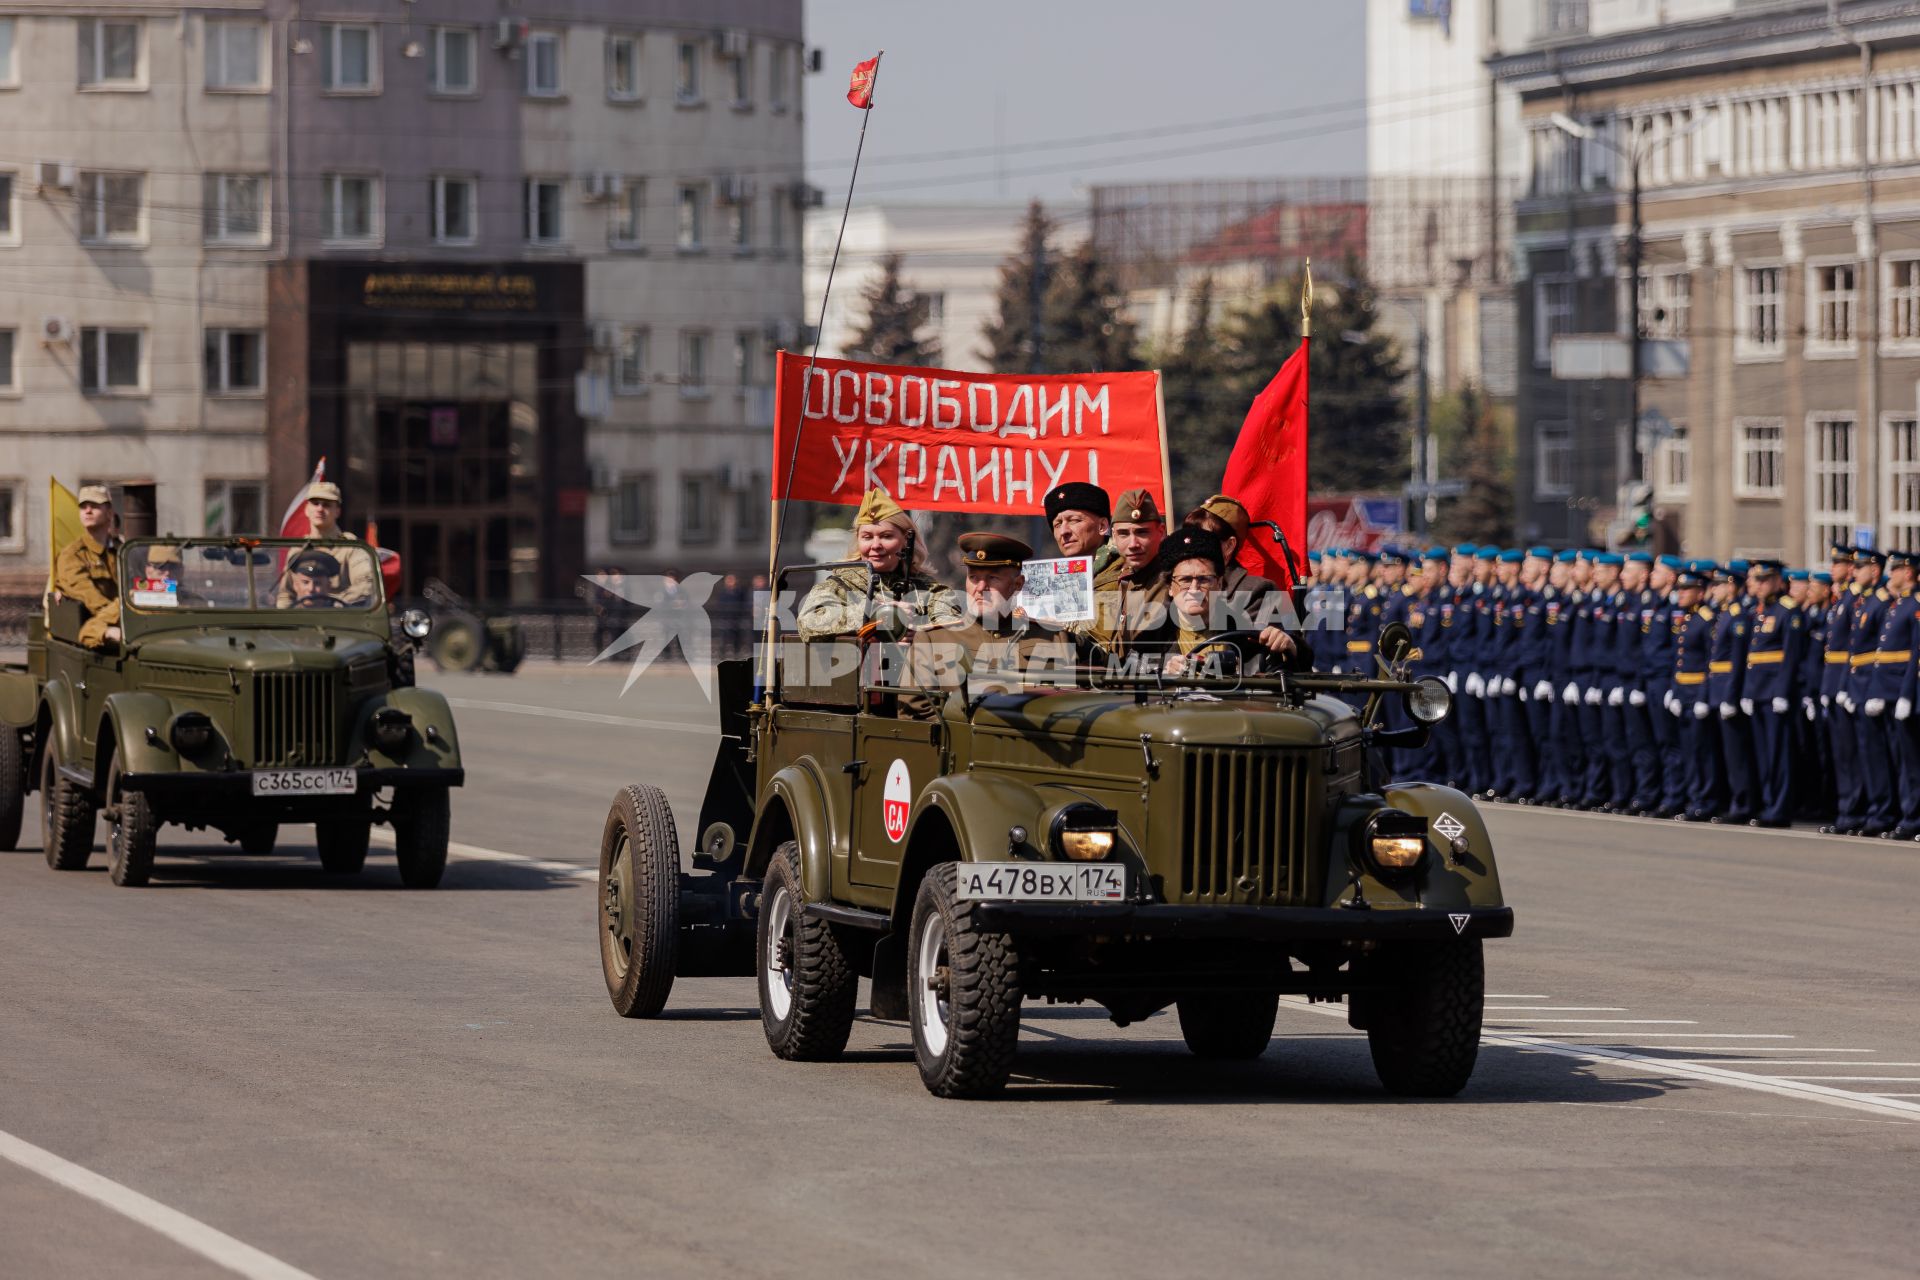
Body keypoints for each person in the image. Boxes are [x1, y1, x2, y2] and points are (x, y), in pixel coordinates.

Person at [899, 532, 1075, 720]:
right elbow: (916, 714)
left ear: (1018, 584)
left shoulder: (1053, 636)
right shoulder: (932, 638)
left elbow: (1069, 707)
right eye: (973, 577)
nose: (980, 587)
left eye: (992, 578)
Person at [798, 489, 964, 641]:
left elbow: (955, 628)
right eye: (867, 537)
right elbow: (808, 622)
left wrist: (918, 635)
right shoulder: (839, 586)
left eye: (886, 536)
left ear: (906, 540)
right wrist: (874, 613)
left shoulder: (929, 591)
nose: (875, 545)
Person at [1138, 527, 1306, 675]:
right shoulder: (1148, 643)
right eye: (1185, 580)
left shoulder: (1252, 633)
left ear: (1219, 584)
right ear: (1169, 587)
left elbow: (1296, 678)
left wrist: (1290, 648)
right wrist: (1162, 677)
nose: (1194, 589)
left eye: (1204, 579)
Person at [1741, 560, 1803, 828]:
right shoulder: (1760, 612)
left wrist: (1781, 691)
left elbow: (1790, 656)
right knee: (1764, 754)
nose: (1759, 585)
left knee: (1779, 754)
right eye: (1758, 580)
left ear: (1778, 582)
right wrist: (1747, 691)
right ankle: (1768, 803)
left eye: (1765, 580)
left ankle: (1779, 808)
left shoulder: (1788, 611)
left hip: (1775, 692)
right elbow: (1752, 655)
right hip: (1757, 691)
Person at [1843, 550, 1893, 836]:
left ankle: (1882, 812)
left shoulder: (1882, 603)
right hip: (1858, 687)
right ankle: (1873, 811)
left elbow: (1879, 653)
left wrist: (1874, 689)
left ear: (1875, 571)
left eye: (1859, 567)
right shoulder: (1864, 602)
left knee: (1879, 755)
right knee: (1865, 755)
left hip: (1874, 687)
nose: (1854, 572)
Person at [1671, 567, 1722, 821]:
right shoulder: (1689, 619)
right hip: (1684, 693)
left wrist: (1703, 697)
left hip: (1698, 693)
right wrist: (1675, 691)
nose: (1680, 594)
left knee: (1703, 751)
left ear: (1700, 592)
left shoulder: (1706, 619)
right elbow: (1679, 661)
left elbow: (1710, 663)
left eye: (1686, 590)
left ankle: (1706, 800)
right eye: (1679, 589)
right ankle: (1694, 798)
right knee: (1689, 751)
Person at [276, 481, 375, 606]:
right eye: (315, 503)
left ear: (337, 511)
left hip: (341, 619)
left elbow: (366, 584)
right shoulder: (298, 550)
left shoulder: (351, 546)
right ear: (306, 509)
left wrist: (332, 606)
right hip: (303, 620)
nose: (320, 509)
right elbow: (285, 595)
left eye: (326, 505)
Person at [53, 484, 124, 648]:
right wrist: (125, 611)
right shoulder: (72, 555)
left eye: (94, 506)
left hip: (126, 621)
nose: (88, 511)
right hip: (96, 633)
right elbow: (91, 599)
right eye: (83, 507)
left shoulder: (122, 550)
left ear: (109, 513)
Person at [281, 550, 348, 608]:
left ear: (328, 586)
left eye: (317, 583)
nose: (311, 589)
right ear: (296, 585)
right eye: (305, 582)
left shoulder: (340, 617)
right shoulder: (287, 618)